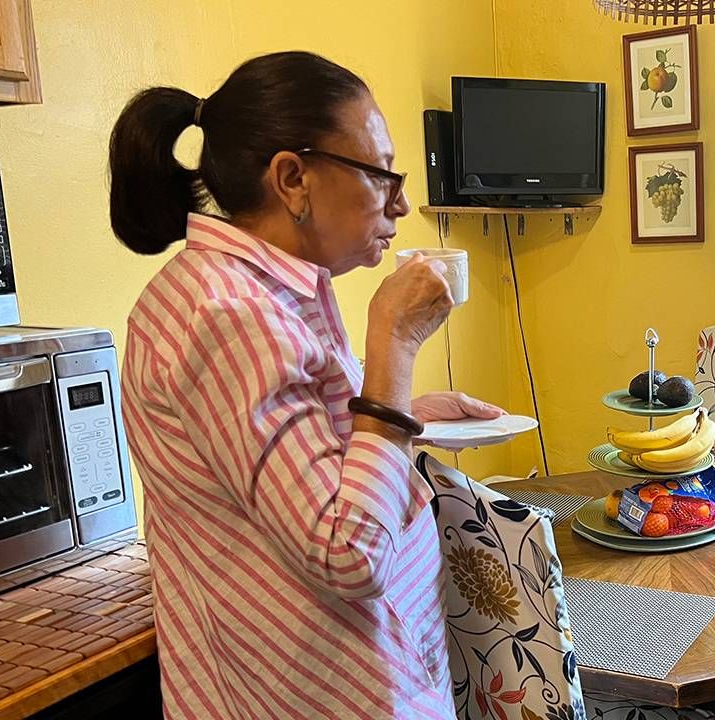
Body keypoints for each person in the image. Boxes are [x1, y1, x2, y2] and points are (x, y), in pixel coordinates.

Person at [109, 51, 502, 719]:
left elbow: (299, 458)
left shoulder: (265, 290)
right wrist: (395, 347)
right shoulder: (227, 316)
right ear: (293, 178)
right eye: (381, 174)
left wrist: (407, 410)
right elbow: (346, 553)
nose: (401, 203)